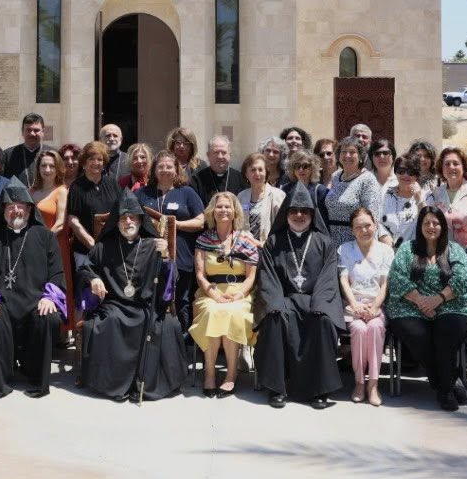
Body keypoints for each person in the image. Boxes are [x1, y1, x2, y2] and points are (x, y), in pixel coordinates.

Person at [76, 189, 185, 401]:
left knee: (165, 325)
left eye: (132, 217)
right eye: (123, 218)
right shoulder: (103, 246)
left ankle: (144, 383)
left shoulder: (153, 245)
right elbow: (85, 268)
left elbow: (171, 281)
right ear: (116, 222)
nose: (128, 221)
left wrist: (164, 258)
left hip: (145, 305)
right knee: (109, 323)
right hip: (114, 304)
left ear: (140, 220)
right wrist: (93, 278)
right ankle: (114, 385)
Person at [254, 182, 344, 409]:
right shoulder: (274, 242)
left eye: (305, 210)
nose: (299, 215)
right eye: (293, 210)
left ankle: (319, 390)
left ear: (312, 214)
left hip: (316, 300)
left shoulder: (325, 243)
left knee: (322, 320)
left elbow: (328, 280)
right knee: (274, 317)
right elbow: (268, 277)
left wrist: (320, 304)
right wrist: (274, 303)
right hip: (283, 299)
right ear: (286, 214)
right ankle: (277, 388)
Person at [0, 179, 67, 399]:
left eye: (20, 205)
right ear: (3, 209)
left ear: (28, 208)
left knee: (47, 317)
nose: (15, 210)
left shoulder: (44, 235)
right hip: (3, 302)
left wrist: (50, 298)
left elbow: (57, 272)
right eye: (10, 206)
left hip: (36, 302)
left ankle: (36, 380)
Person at [387, 206, 467, 411]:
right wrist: (421, 301)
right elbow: (397, 278)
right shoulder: (406, 249)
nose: (431, 227)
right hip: (410, 305)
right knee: (417, 334)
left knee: (446, 332)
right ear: (419, 226)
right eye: (426, 222)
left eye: (436, 223)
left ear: (443, 226)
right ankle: (448, 379)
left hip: (452, 305)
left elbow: (464, 279)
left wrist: (438, 299)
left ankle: (444, 391)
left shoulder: (455, 250)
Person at [190, 191, 260, 397]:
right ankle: (209, 374)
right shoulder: (203, 239)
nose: (223, 210)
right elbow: (200, 275)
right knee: (213, 312)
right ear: (213, 211)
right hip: (209, 292)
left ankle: (231, 376)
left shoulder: (247, 239)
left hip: (240, 293)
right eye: (219, 206)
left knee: (233, 313)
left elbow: (250, 277)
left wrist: (238, 295)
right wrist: (215, 296)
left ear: (235, 211)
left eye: (227, 207)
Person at [138, 150, 205, 329]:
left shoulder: (187, 193)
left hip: (181, 256)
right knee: (150, 296)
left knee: (180, 299)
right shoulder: (142, 194)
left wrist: (175, 225)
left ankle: (180, 341)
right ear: (154, 170)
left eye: (169, 166)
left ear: (176, 170)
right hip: (149, 257)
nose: (165, 170)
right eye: (160, 166)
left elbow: (201, 221)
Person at [338, 207, 394, 405]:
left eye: (368, 225)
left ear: (375, 225)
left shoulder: (386, 251)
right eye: (359, 227)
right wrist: (354, 305)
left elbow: (386, 283)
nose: (364, 230)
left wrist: (375, 306)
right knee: (359, 329)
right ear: (352, 230)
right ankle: (359, 382)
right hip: (354, 305)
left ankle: (373, 385)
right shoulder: (344, 249)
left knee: (376, 327)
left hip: (377, 305)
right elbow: (344, 280)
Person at [29, 149, 75, 335]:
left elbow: (60, 223)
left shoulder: (61, 191)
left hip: (56, 246)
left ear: (58, 169)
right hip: (33, 247)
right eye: (43, 165)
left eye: (51, 166)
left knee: (58, 284)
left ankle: (63, 330)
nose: (47, 169)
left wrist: (43, 241)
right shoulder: (31, 191)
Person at [324, 138, 385, 247]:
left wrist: (366, 245)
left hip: (356, 242)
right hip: (332, 240)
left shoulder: (367, 179)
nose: (347, 155)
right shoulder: (335, 176)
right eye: (343, 152)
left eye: (352, 152)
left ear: (361, 157)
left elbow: (372, 216)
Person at [67, 140, 122, 259]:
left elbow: (122, 210)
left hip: (113, 248)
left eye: (100, 159)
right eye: (91, 159)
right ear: (84, 162)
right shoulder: (77, 187)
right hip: (86, 251)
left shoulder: (112, 182)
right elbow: (73, 220)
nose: (96, 163)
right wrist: (93, 246)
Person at [426, 146, 467, 247]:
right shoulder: (436, 194)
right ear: (441, 169)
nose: (451, 167)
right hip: (442, 253)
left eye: (456, 163)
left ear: (463, 167)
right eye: (447, 164)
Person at [237, 152, 287, 243]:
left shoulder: (278, 195)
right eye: (253, 170)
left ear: (266, 172)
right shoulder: (241, 196)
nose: (257, 173)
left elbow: (283, 226)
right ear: (246, 174)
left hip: (269, 249)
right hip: (246, 249)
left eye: (260, 169)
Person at [379, 154, 424, 247]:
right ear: (395, 172)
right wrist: (383, 235)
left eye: (411, 172)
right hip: (386, 249)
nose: (406, 175)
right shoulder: (385, 192)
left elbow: (426, 222)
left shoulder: (426, 196)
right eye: (401, 171)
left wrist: (419, 199)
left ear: (417, 175)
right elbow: (375, 218)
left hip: (413, 252)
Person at [191, 134, 243, 203]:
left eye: (224, 152)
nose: (220, 157)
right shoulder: (197, 180)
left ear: (230, 155)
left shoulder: (240, 178)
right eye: (216, 152)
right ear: (208, 155)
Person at [2, 112, 50, 185]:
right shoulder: (8, 155)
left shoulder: (53, 154)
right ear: (22, 132)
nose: (32, 134)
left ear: (43, 132)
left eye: (36, 130)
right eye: (28, 130)